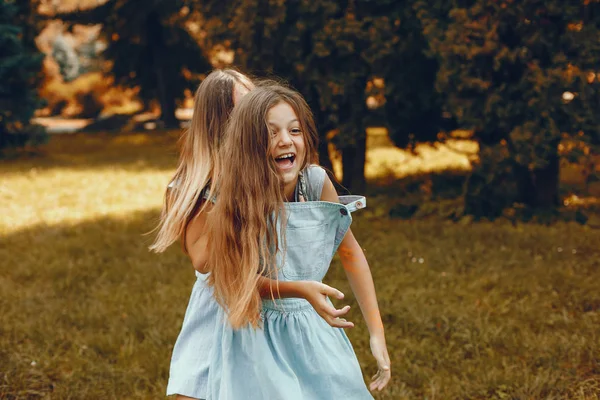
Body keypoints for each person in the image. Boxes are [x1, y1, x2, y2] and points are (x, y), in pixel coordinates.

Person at [150, 70, 353, 400]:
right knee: (201, 389)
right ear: (222, 122)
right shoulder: (196, 184)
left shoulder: (265, 173)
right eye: (244, 108)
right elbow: (203, 263)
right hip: (219, 305)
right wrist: (226, 191)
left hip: (268, 302)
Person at [200, 83, 391, 399]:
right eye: (271, 132)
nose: (285, 140)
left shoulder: (315, 183)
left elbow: (351, 252)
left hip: (312, 328)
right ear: (248, 144)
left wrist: (377, 333)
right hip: (255, 334)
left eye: (295, 130)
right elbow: (233, 280)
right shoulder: (232, 197)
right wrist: (299, 289)